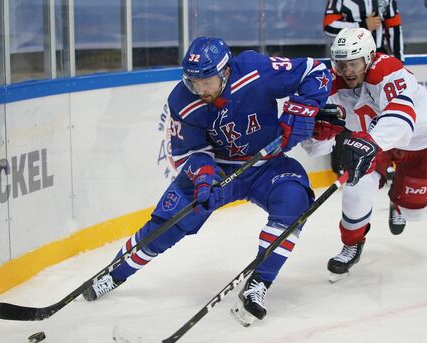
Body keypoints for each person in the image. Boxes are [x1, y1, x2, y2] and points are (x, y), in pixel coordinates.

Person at [81, 36, 335, 326]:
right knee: (171, 220)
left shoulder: (254, 69)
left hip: (269, 164)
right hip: (221, 170)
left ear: (226, 71)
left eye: (207, 81)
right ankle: (114, 272)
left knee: (294, 203)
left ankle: (259, 284)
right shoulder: (181, 100)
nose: (200, 89)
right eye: (193, 81)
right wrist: (204, 179)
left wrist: (301, 110)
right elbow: (188, 152)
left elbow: (315, 71)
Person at [312, 28, 427, 282]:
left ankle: (399, 201)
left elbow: (402, 114)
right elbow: (318, 140)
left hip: (415, 140)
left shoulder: (387, 69)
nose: (347, 71)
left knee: (414, 210)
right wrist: (320, 137)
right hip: (371, 139)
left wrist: (373, 142)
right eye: (342, 64)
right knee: (355, 190)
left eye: (354, 63)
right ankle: (352, 244)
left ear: (369, 57)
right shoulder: (333, 84)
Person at [324, 0, 405, 178]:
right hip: (346, 60)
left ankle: (384, 159)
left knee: (382, 109)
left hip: (374, 59)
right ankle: (343, 160)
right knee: (343, 111)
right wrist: (361, 25)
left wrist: (399, 63)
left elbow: (394, 26)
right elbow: (329, 25)